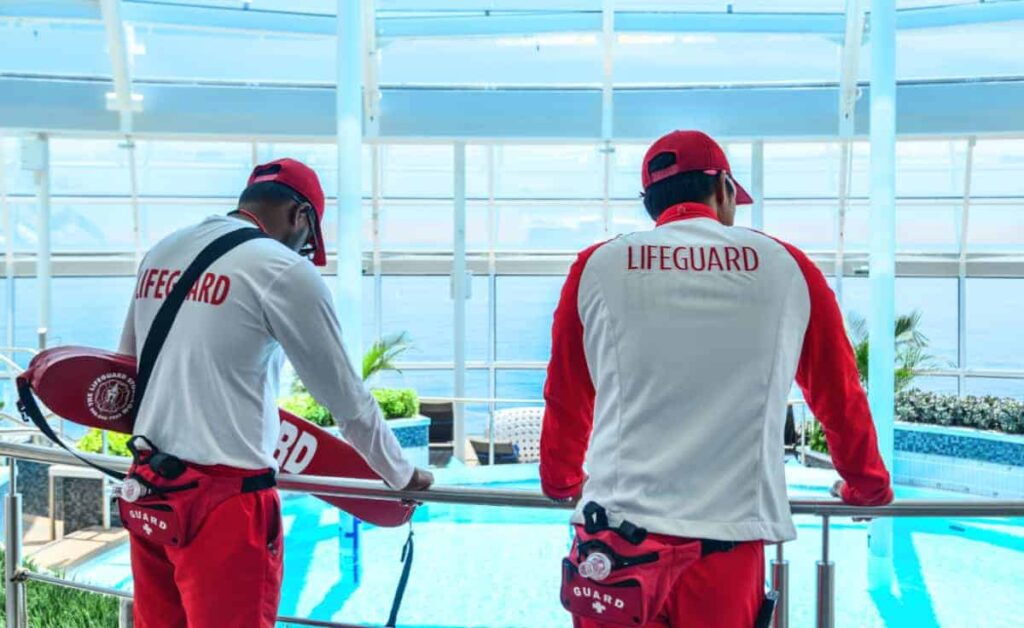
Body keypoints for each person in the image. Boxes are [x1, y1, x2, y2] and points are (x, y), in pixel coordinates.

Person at [540, 130, 893, 627]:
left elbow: (566, 394)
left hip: (612, 545)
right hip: (725, 549)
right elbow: (838, 395)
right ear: (723, 188)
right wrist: (866, 485)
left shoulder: (596, 266)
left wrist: (561, 482)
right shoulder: (787, 268)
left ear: (650, 202)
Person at [118, 158, 434, 627]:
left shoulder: (163, 251)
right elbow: (347, 401)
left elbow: (127, 367)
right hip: (226, 504)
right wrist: (400, 473)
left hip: (148, 487)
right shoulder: (281, 270)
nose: (305, 251)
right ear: (300, 217)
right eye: (309, 242)